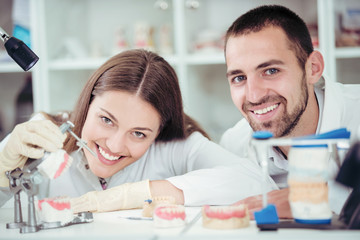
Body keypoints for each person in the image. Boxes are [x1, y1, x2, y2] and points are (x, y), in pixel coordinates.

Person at [0, 49, 276, 212]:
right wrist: (2, 166)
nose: (115, 146)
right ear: (88, 101)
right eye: (107, 120)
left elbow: (261, 184)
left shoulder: (176, 146)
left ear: (159, 130)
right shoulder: (46, 134)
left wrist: (143, 192)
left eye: (139, 134)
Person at [220, 5, 360, 218]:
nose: (254, 96)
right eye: (239, 78)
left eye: (271, 71)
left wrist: (315, 199)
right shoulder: (234, 145)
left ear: (313, 68)